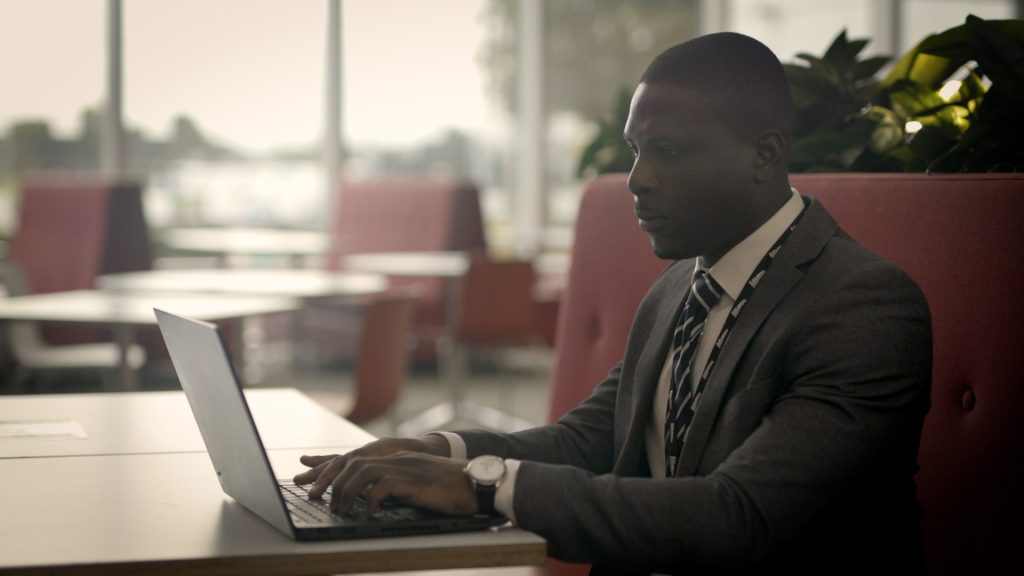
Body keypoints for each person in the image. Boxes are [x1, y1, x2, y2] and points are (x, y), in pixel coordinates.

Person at [295, 32, 932, 575]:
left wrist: (482, 488)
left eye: (669, 151)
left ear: (763, 154)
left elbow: (738, 514)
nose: (638, 180)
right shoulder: (680, 287)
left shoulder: (862, 305)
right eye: (636, 150)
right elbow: (587, 440)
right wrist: (441, 452)